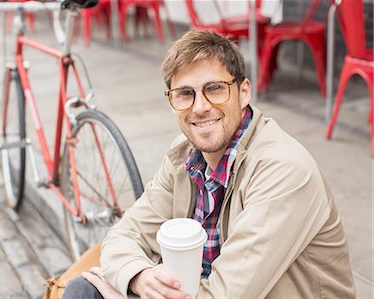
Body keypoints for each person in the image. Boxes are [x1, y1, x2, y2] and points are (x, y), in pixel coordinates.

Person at [62, 30, 356, 299]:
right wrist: (139, 276)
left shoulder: (283, 171)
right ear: (172, 102)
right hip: (201, 289)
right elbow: (123, 235)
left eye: (215, 89)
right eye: (185, 94)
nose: (200, 107)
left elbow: (225, 295)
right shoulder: (184, 157)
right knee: (83, 291)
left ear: (243, 92)